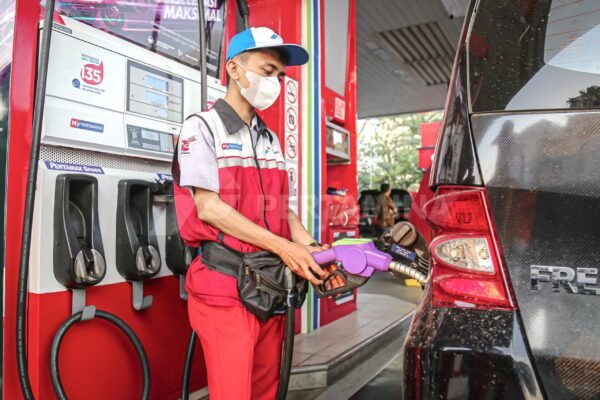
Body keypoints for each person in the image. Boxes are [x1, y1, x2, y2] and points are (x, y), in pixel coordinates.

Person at [172, 27, 333, 400]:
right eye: (267, 70)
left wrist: (310, 247)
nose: (274, 82)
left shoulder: (269, 138)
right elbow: (209, 208)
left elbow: (281, 209)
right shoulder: (201, 127)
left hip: (270, 285)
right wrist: (286, 248)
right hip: (225, 287)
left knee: (266, 390)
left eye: (279, 75)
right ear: (234, 68)